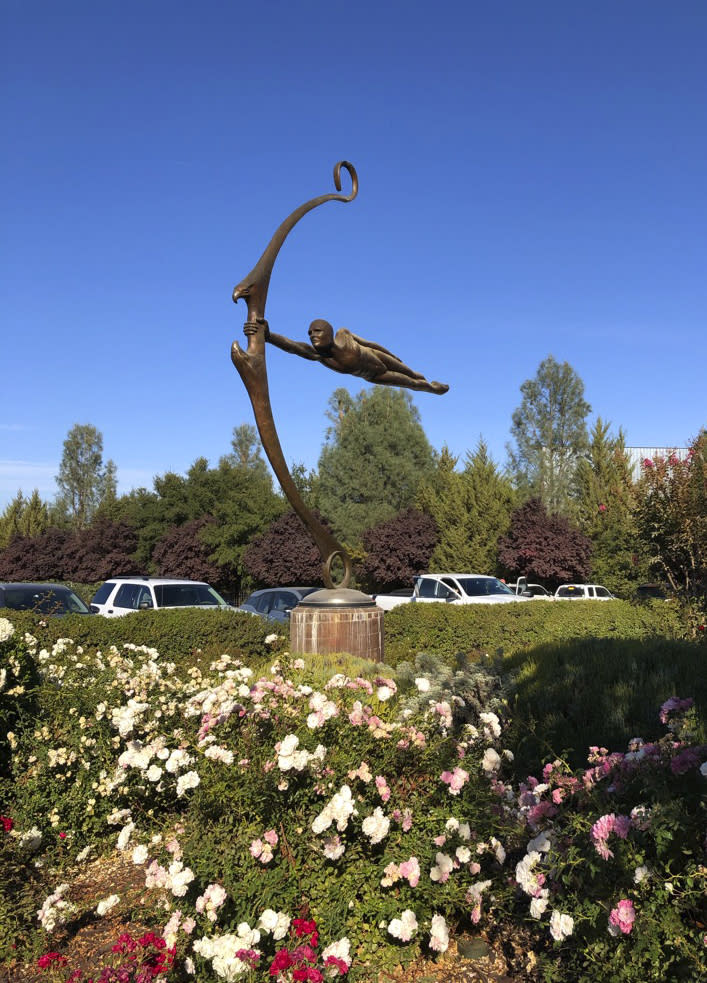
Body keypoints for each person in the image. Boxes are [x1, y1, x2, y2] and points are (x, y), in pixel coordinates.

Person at [262, 318, 449, 395]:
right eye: (309, 333)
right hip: (374, 375)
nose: (312, 336)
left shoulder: (344, 335)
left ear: (329, 332)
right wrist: (269, 337)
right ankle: (433, 388)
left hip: (379, 358)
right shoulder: (321, 357)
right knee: (412, 384)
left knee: (412, 373)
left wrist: (393, 356)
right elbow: (294, 347)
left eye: (317, 331)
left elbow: (371, 344)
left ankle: (424, 378)